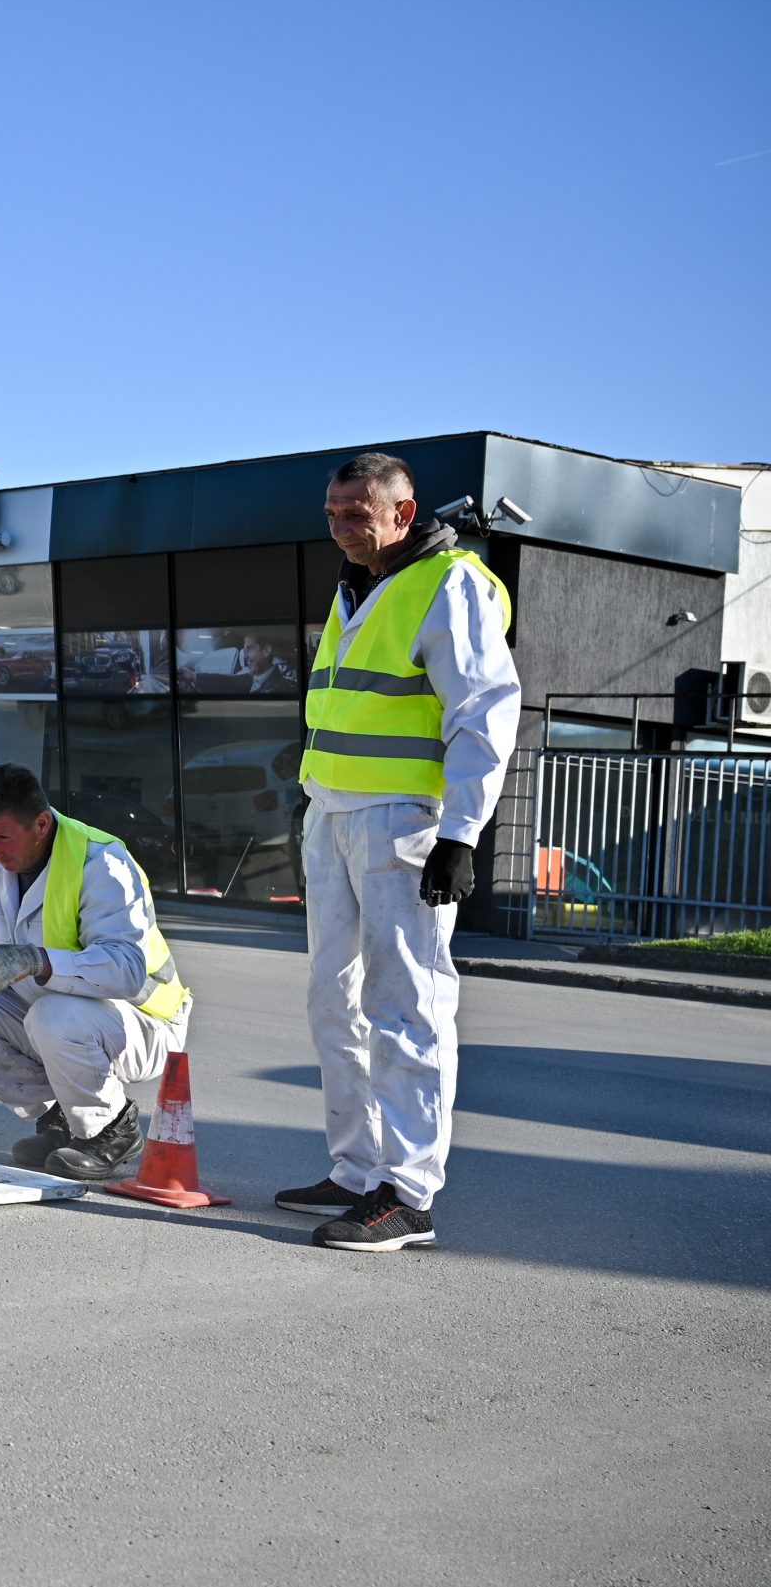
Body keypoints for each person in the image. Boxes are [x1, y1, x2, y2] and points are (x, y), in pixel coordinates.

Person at [285, 451, 518, 1252]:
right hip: (335, 815)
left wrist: (462, 833)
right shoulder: (358, 586)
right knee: (333, 1002)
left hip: (404, 824)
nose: (343, 527)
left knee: (406, 1004)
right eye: (333, 513)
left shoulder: (448, 584)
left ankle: (409, 1194)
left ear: (403, 512)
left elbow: (484, 710)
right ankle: (354, 1171)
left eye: (358, 512)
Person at [0, 764, 193, 1179]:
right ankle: (62, 1117)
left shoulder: (102, 864)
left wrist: (35, 959)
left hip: (144, 1026)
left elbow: (126, 969)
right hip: (58, 1016)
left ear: (41, 824)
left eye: (2, 837)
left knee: (52, 1014)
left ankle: (109, 1128)